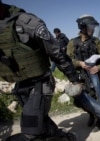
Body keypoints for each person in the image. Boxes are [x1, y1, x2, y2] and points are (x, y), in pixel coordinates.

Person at [0, 1, 80, 140]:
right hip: (21, 85)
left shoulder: (25, 22)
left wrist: (73, 78)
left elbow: (56, 52)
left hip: (40, 83)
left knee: (32, 129)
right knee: (39, 122)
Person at [66, 14, 100, 130]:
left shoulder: (97, 42)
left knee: (99, 98)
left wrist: (98, 68)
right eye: (90, 27)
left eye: (93, 27)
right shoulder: (72, 43)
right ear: (82, 27)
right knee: (81, 100)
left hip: (95, 76)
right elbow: (67, 61)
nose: (92, 30)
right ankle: (91, 114)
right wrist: (79, 63)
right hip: (81, 77)